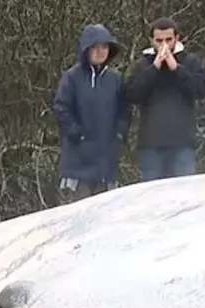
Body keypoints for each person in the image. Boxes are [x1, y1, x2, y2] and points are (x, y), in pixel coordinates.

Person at [126, 17, 205, 182]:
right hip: (151, 145)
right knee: (152, 199)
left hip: (182, 143)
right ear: (151, 40)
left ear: (177, 38)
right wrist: (155, 68)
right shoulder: (142, 64)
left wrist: (176, 68)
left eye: (168, 39)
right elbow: (132, 94)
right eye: (159, 40)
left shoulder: (190, 62)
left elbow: (201, 90)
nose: (164, 45)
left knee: (183, 198)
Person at [52, 24, 129, 203]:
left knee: (105, 216)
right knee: (77, 216)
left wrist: (119, 133)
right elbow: (61, 107)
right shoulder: (72, 77)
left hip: (106, 161)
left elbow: (125, 109)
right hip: (78, 160)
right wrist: (76, 133)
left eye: (104, 47)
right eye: (95, 47)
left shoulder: (115, 79)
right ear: (86, 49)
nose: (100, 51)